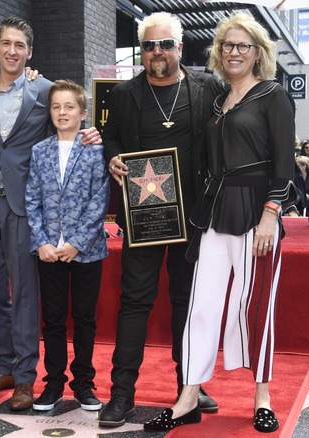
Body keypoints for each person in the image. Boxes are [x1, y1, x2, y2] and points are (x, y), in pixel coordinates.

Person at [143, 12, 298, 434]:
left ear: (257, 52)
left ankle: (262, 397)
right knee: (202, 306)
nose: (234, 52)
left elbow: (285, 163)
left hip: (256, 212)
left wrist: (271, 212)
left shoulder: (273, 95)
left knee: (256, 305)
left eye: (242, 46)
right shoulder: (216, 100)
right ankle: (188, 398)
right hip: (214, 212)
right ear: (218, 51)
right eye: (227, 45)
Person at [0, 16, 100, 411]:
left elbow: (68, 118)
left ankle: (26, 377)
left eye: (19, 45)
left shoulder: (44, 90)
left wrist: (91, 134)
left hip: (24, 204)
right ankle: (4, 365)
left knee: (24, 292)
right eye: (6, 44)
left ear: (29, 52)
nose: (12, 51)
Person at [101, 11, 224, 428]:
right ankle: (122, 394)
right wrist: (112, 158)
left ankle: (189, 387)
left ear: (180, 47)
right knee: (134, 302)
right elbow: (111, 139)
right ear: (141, 51)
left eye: (165, 44)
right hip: (145, 216)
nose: (157, 52)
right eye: (149, 45)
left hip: (193, 216)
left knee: (188, 305)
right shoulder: (123, 94)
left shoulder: (207, 88)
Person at [24, 80, 109, 412]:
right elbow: (32, 200)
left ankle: (84, 383)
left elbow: (99, 201)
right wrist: (41, 242)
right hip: (48, 253)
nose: (62, 112)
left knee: (85, 319)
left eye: (69, 107)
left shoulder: (96, 150)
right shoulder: (39, 150)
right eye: (56, 107)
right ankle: (54, 384)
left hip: (86, 251)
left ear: (83, 112)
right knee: (54, 321)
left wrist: (77, 243)